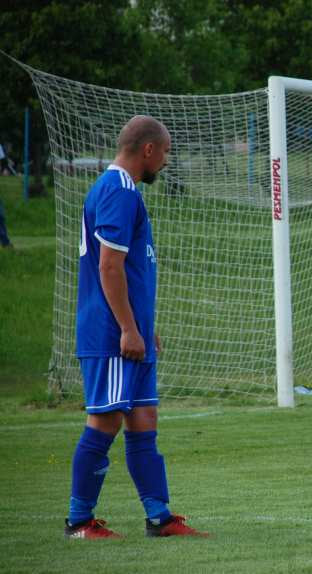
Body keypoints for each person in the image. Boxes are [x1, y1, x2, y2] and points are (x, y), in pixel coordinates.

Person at [66, 115, 206, 539]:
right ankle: (79, 520)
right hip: (111, 335)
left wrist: (144, 327)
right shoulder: (118, 190)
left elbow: (127, 268)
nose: (165, 161)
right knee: (105, 421)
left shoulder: (122, 192)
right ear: (147, 150)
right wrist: (127, 328)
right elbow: (109, 266)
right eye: (164, 152)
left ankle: (159, 517)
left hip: (131, 334)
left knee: (143, 417)